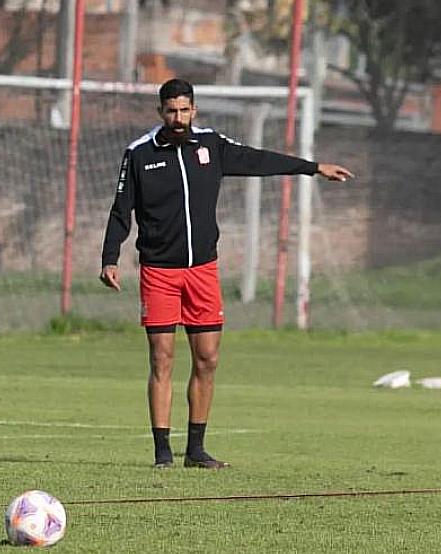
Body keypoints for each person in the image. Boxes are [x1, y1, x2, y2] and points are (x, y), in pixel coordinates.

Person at [100, 78, 353, 469]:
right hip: (159, 272)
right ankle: (163, 452)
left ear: (194, 110)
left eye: (184, 110)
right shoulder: (138, 154)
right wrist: (110, 257)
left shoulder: (211, 145)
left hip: (203, 270)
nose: (178, 118)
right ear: (160, 111)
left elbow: (258, 160)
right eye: (171, 111)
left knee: (207, 359)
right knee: (162, 359)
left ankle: (196, 450)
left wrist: (313, 168)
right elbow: (121, 209)